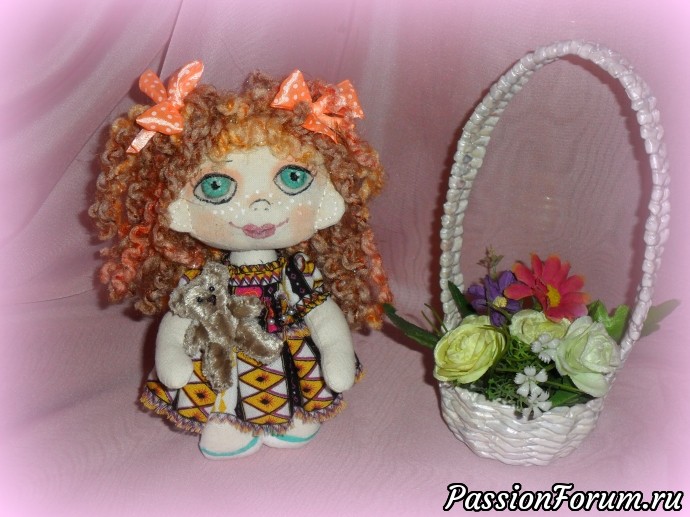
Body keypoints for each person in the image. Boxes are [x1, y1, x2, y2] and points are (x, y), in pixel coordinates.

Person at [90, 62, 391, 459]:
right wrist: (172, 353)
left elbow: (320, 312)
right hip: (223, 355)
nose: (260, 205)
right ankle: (225, 421)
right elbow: (181, 318)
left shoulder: (297, 273)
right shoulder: (207, 277)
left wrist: (335, 349)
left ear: (329, 203)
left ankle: (294, 412)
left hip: (287, 353)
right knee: (219, 378)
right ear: (177, 211)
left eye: (293, 178)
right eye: (217, 186)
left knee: (296, 374)